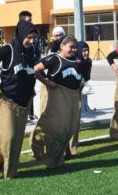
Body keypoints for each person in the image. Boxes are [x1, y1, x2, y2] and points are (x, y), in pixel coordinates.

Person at [0, 20, 38, 179]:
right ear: (20, 35)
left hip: (24, 103)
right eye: (29, 37)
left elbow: (30, 72)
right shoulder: (8, 49)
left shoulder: (31, 51)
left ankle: (10, 171)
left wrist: (31, 87)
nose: (31, 41)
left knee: (17, 139)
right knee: (8, 136)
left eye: (33, 38)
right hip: (7, 100)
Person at [30, 35, 82, 167]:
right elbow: (35, 69)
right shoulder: (55, 58)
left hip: (72, 99)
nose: (74, 50)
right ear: (62, 46)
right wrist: (46, 81)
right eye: (71, 47)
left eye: (75, 47)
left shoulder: (76, 61)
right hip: (57, 98)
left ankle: (57, 157)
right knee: (54, 125)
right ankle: (38, 148)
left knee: (69, 127)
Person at [66, 40, 92, 157]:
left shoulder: (88, 62)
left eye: (87, 50)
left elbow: (86, 77)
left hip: (77, 93)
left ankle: (72, 147)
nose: (86, 53)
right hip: (66, 93)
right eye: (83, 50)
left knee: (75, 121)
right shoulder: (72, 61)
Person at [19, 10, 41, 120]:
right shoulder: (19, 37)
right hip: (21, 71)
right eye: (29, 20)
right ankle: (22, 115)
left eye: (31, 20)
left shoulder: (33, 36)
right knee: (22, 93)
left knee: (30, 92)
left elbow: (37, 53)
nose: (31, 40)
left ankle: (30, 113)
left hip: (31, 70)